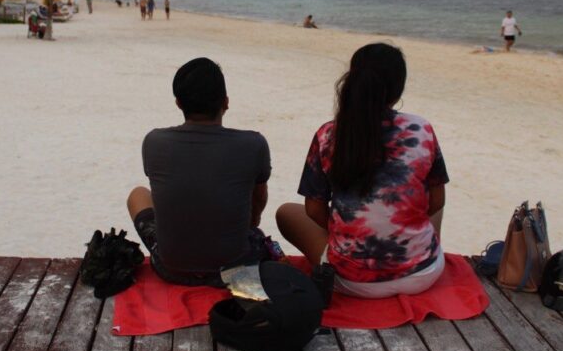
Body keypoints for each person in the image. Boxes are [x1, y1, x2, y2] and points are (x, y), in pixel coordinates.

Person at [276, 43, 449, 298]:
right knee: (431, 195)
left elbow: (313, 210)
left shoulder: (328, 134)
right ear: (398, 89)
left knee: (286, 213)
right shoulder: (421, 129)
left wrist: (348, 231)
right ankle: (419, 253)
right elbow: (437, 202)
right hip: (423, 276)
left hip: (351, 282)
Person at [127, 58, 272, 286]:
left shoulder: (154, 141)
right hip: (234, 269)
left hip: (171, 268)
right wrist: (250, 224)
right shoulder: (253, 144)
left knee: (138, 194)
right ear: (225, 102)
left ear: (178, 103)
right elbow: (259, 198)